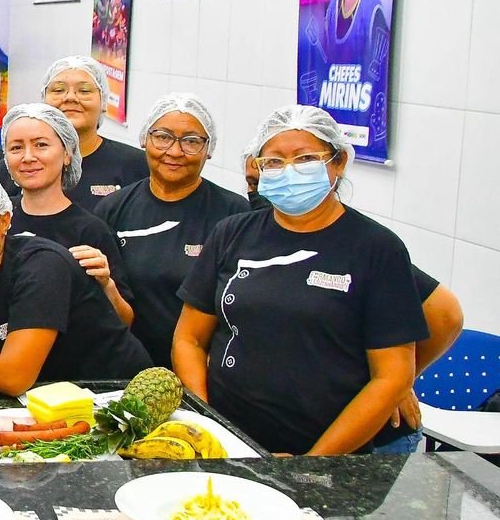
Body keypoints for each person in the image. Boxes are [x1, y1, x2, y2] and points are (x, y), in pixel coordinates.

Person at [173, 105, 423, 456]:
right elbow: (189, 339)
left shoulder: (376, 249)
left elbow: (392, 376)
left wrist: (312, 463)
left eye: (305, 158)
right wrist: (213, 429)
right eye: (273, 161)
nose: (289, 171)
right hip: (234, 442)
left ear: (338, 163)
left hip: (332, 452)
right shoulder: (232, 233)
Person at [0, 168, 152, 391]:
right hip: (49, 410)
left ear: (5, 221)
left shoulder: (41, 265)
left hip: (120, 399)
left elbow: (14, 375)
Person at [93, 94, 249, 367]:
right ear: (144, 140)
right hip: (125, 367)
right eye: (163, 137)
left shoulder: (234, 214)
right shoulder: (113, 209)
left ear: (208, 149)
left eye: (191, 141)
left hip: (204, 370)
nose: (175, 152)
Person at [0, 103, 134, 326]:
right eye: (16, 148)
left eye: (41, 145)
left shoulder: (91, 230)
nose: (28, 157)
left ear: (67, 154)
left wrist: (106, 284)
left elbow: (126, 321)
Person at [36, 55, 146, 211]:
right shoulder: (22, 164)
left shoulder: (135, 164)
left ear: (103, 101)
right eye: (59, 90)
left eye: (84, 90)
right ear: (44, 99)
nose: (70, 98)